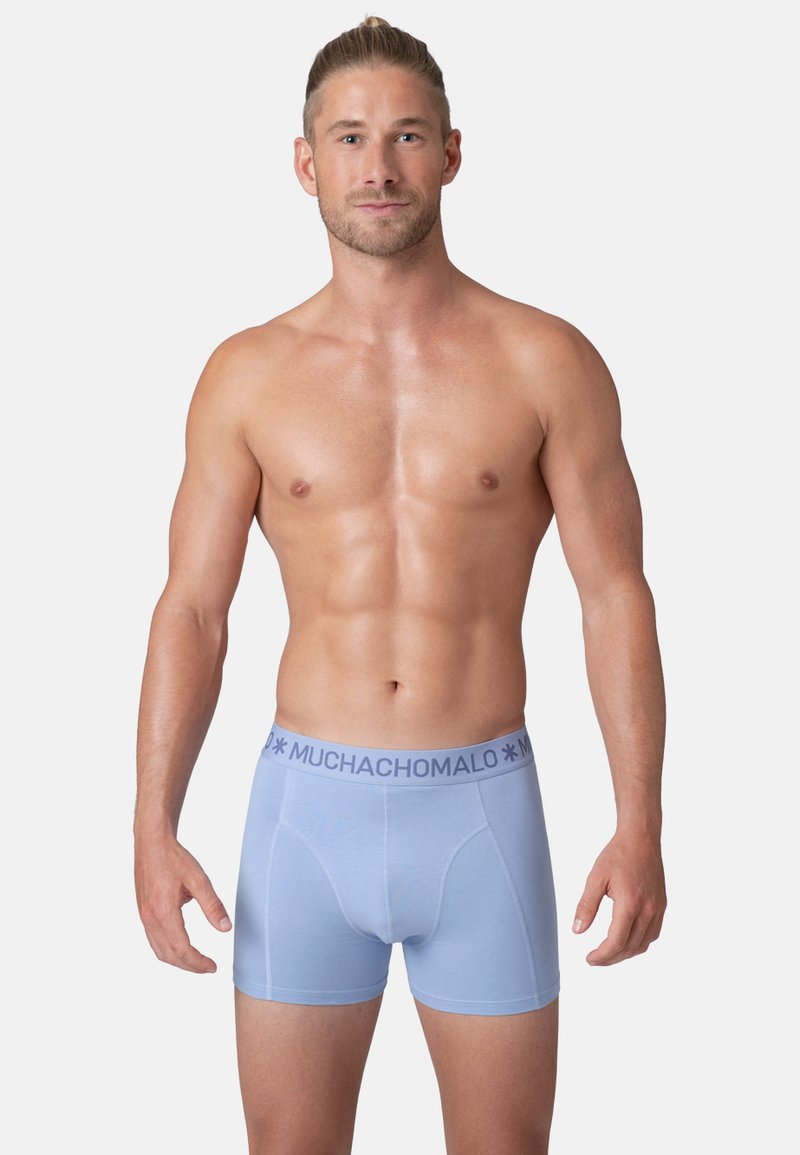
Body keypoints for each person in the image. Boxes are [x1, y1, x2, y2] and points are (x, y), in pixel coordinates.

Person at [133, 15, 667, 1154]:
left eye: (407, 135)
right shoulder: (246, 375)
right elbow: (194, 610)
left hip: (481, 812)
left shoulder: (546, 361)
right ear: (305, 162)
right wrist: (151, 822)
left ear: (452, 154)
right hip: (303, 816)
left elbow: (614, 594)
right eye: (350, 138)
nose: (378, 166)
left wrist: (639, 823)